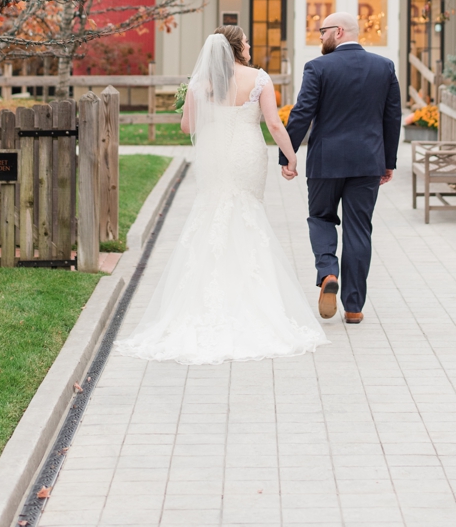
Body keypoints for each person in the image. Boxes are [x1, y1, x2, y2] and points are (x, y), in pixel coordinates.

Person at [116, 26, 328, 365]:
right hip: (245, 150)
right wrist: (290, 156)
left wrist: (193, 99)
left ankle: (204, 300)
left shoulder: (202, 83)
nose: (248, 44)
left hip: (214, 152)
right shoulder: (259, 79)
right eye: (245, 40)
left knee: (213, 211)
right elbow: (273, 125)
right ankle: (251, 300)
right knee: (246, 213)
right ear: (236, 47)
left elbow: (188, 128)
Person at [284, 10, 402, 325]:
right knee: (359, 230)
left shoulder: (318, 67)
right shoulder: (384, 67)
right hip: (367, 162)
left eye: (322, 31)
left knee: (320, 218)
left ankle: (327, 273)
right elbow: (392, 118)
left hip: (326, 162)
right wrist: (388, 161)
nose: (319, 37)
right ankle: (353, 307)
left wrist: (288, 155)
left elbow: (302, 113)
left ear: (338, 32)